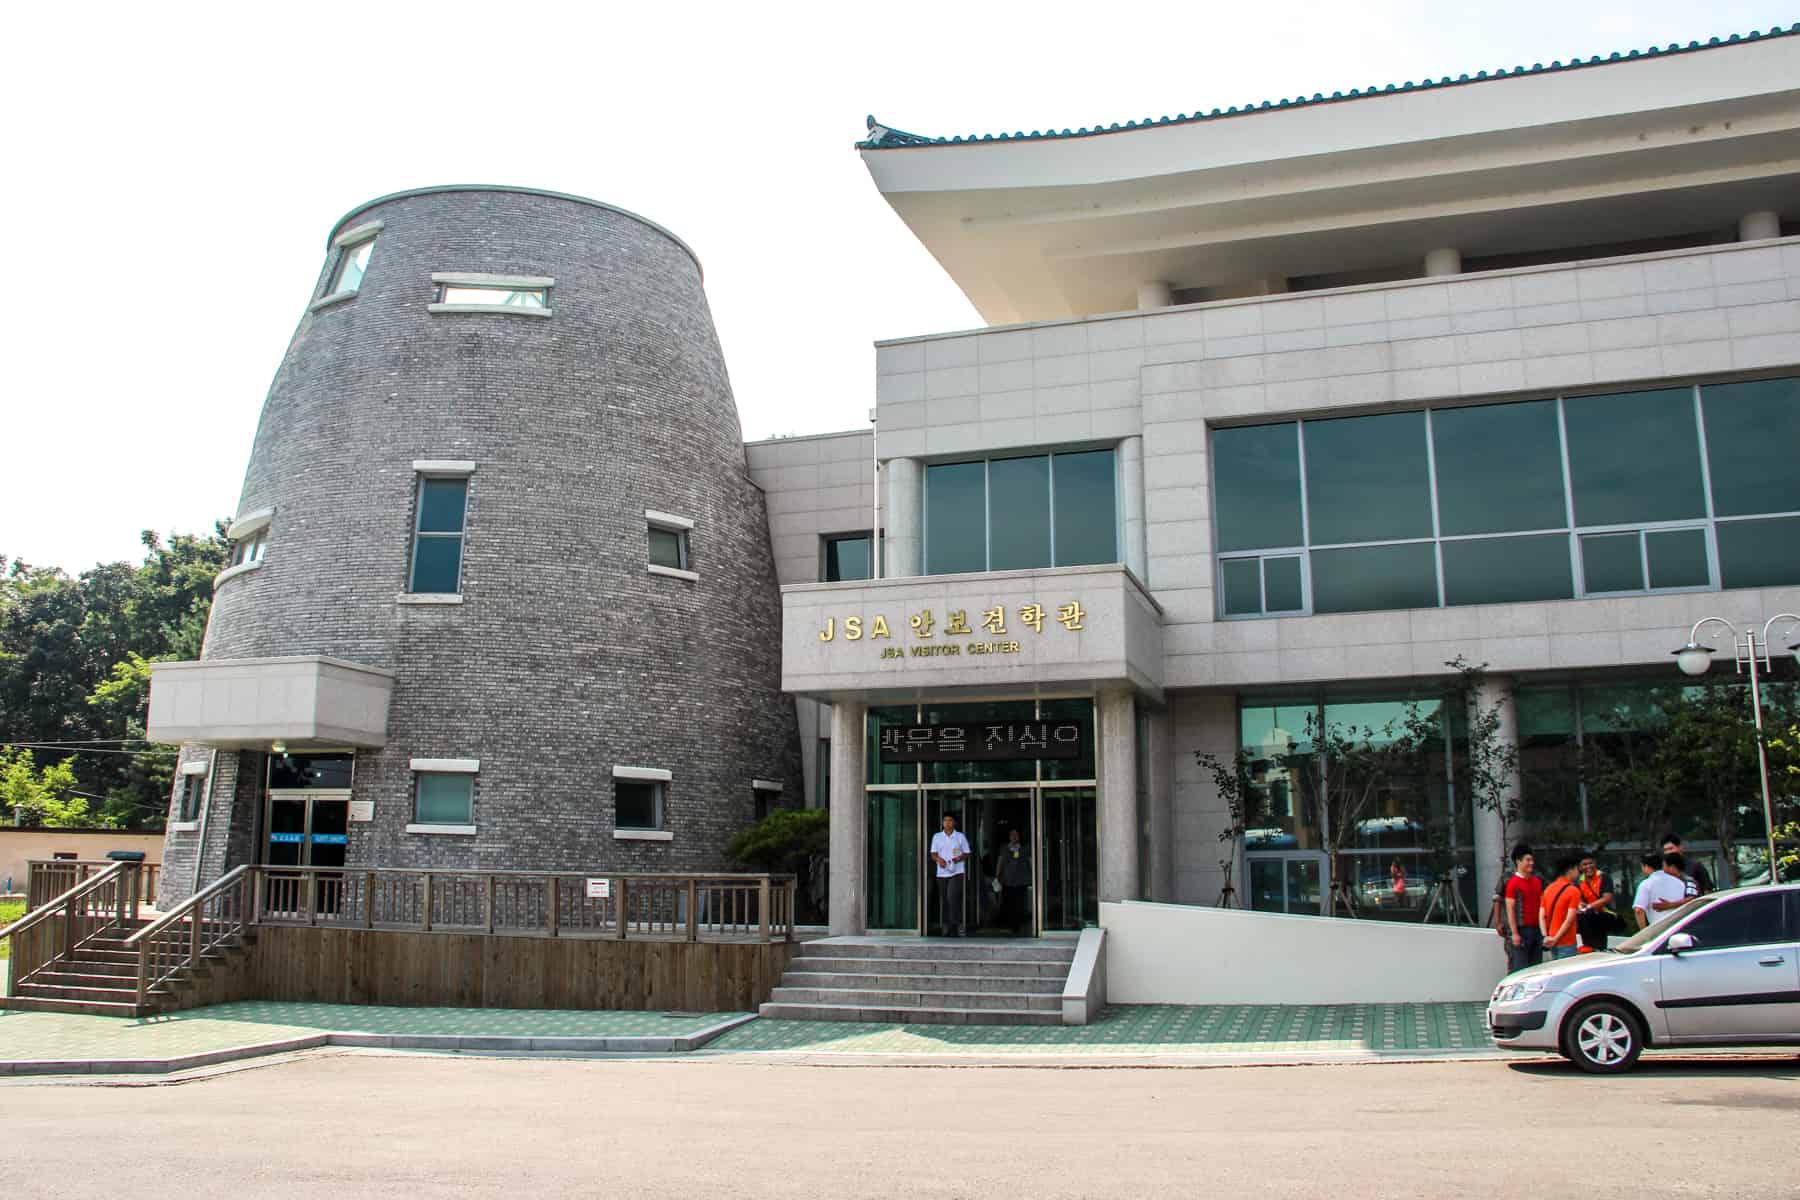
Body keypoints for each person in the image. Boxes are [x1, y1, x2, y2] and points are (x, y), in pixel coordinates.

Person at [929, 812, 972, 937]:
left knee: (952, 896)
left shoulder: (960, 836)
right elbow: (933, 853)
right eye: (945, 820)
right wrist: (939, 860)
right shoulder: (937, 836)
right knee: (945, 900)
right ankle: (947, 924)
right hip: (942, 873)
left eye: (950, 820)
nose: (947, 823)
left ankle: (957, 924)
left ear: (954, 823)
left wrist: (958, 858)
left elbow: (967, 853)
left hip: (956, 872)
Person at [1502, 846, 1544, 972]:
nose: (1531, 863)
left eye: (1532, 860)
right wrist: (1514, 933)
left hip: (1537, 929)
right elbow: (1510, 910)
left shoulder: (1537, 881)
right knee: (1520, 968)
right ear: (1518, 861)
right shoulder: (1513, 883)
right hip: (1522, 930)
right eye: (1528, 860)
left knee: (1536, 967)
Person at [1539, 856, 1584, 960]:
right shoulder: (1573, 891)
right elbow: (1569, 920)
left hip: (1550, 940)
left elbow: (1542, 916)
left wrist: (1545, 936)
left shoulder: (1548, 889)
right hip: (1566, 941)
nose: (1578, 873)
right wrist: (1556, 938)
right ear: (1570, 870)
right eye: (1577, 869)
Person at [1631, 851, 1687, 930]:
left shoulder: (1646, 884)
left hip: (1658, 932)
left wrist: (1643, 932)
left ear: (1646, 866)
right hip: (1678, 928)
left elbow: (1638, 910)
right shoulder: (1680, 882)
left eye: (1642, 866)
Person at [1574, 853, 1616, 953]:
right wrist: (1581, 905)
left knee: (1600, 945)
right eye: (1584, 864)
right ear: (1580, 867)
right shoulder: (1578, 881)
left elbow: (1607, 898)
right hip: (1587, 919)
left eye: (1590, 863)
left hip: (1604, 915)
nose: (1588, 866)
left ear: (1595, 863)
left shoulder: (1604, 877)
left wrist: (1588, 907)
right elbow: (1578, 900)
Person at [994, 826, 1032, 936]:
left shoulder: (1025, 849)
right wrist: (997, 876)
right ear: (1009, 836)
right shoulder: (1004, 848)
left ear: (1019, 836)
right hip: (1007, 881)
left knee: (1020, 903)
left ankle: (1019, 924)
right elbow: (1000, 862)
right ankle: (1010, 924)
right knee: (1009, 903)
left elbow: (1030, 862)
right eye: (1012, 834)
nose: (1014, 837)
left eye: (1016, 834)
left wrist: (1033, 876)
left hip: (1021, 881)